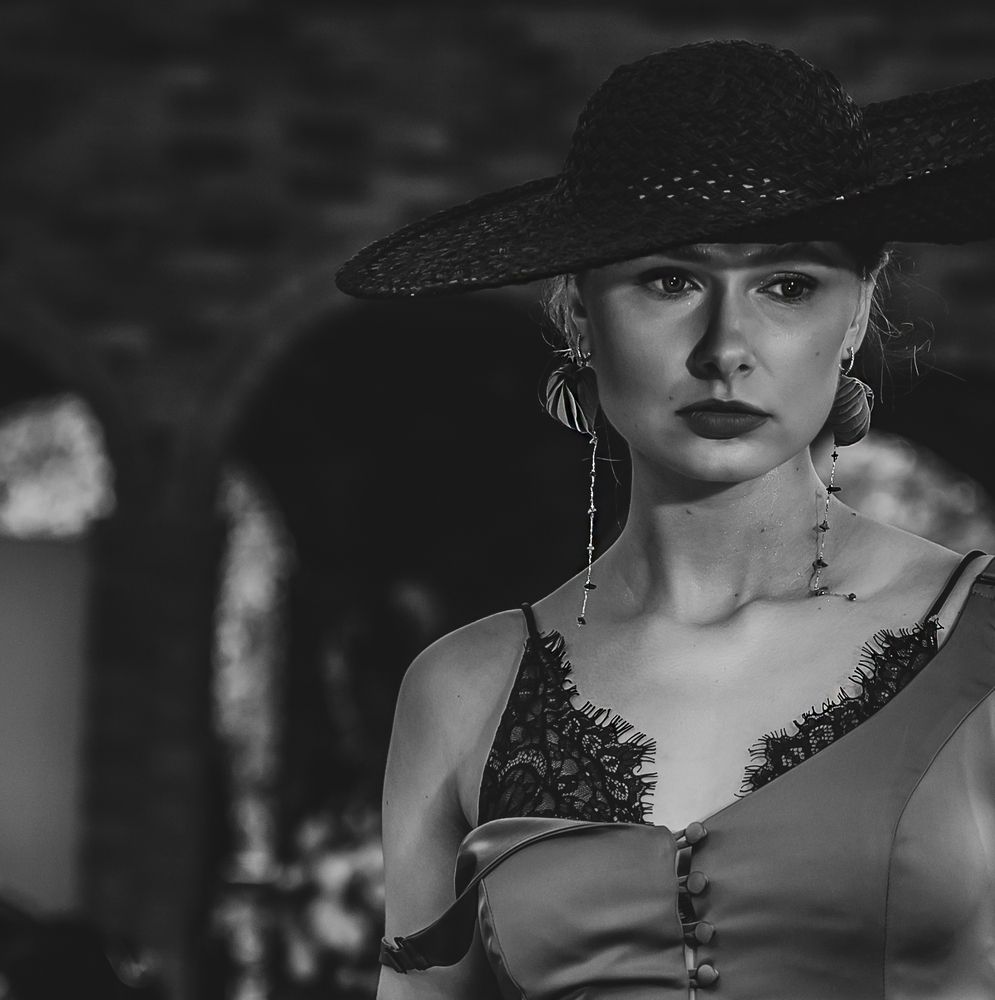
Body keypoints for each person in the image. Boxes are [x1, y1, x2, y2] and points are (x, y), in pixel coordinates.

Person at [335, 40, 995, 999]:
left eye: (787, 285)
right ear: (577, 311)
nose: (724, 348)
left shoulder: (980, 641)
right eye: (668, 281)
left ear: (855, 313)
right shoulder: (460, 690)